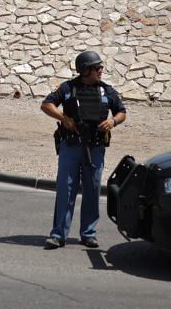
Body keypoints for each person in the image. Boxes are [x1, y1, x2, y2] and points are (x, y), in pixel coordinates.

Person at [41, 50, 127, 249]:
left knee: (92, 189)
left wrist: (112, 122)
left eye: (100, 67)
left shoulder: (107, 91)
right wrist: (64, 118)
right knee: (66, 189)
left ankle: (88, 234)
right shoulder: (68, 88)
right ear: (85, 70)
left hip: (95, 147)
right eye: (97, 68)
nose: (101, 71)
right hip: (71, 145)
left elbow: (121, 112)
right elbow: (46, 105)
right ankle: (58, 235)